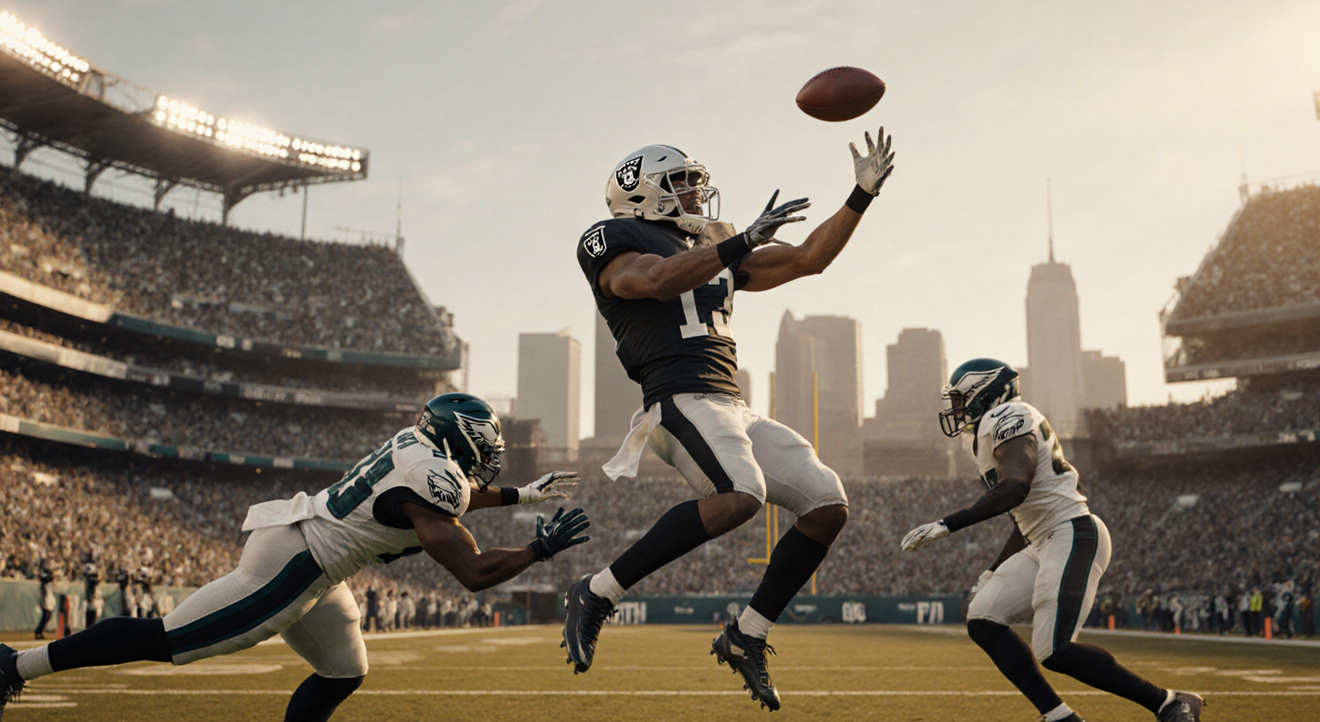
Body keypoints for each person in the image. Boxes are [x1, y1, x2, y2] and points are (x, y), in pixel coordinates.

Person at [0, 393, 589, 722]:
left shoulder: (417, 446)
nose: (487, 462)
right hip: (297, 563)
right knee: (165, 640)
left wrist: (520, 494)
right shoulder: (435, 482)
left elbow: (448, 497)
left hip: (311, 545)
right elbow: (474, 572)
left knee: (344, 672)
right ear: (457, 441)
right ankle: (14, 666)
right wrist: (539, 549)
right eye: (482, 449)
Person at [566, 131, 894, 710]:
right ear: (640, 194)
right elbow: (656, 280)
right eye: (681, 184)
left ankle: (748, 633)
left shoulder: (714, 241)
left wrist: (860, 195)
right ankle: (597, 591)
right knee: (739, 493)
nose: (696, 193)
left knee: (827, 503)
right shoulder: (613, 238)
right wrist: (739, 240)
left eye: (696, 182)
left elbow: (806, 260)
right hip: (675, 400)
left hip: (730, 404)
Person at [900, 359, 1202, 722]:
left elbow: (1015, 487)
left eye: (962, 399)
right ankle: (1059, 716)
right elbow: (1022, 516)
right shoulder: (983, 437)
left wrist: (949, 524)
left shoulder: (1009, 415)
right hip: (1042, 539)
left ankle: (1169, 701)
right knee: (983, 617)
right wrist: (992, 570)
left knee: (1054, 649)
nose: (957, 410)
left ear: (987, 394)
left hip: (1072, 531)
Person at [33, 566, 55, 640]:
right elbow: (47, 579)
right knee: (45, 617)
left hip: (48, 600)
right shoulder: (44, 582)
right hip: (45, 600)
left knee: (47, 617)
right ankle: (39, 632)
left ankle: (40, 631)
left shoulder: (47, 582)